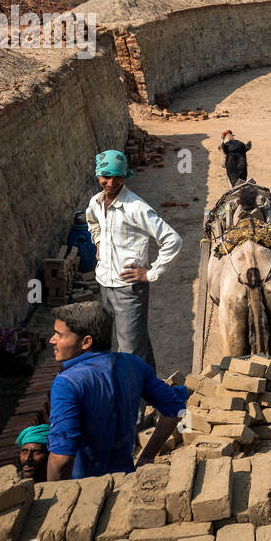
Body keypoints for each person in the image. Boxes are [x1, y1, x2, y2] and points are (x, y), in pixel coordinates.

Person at [45, 301, 189, 481]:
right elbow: (175, 408)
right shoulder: (132, 364)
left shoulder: (67, 382)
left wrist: (52, 501)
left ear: (86, 342)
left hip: (85, 492)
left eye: (59, 335)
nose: (52, 340)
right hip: (124, 482)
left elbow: (61, 459)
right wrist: (146, 457)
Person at [84, 149, 182, 369]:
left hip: (129, 290)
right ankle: (151, 394)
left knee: (130, 353)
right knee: (134, 343)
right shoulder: (96, 203)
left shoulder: (135, 207)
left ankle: (133, 403)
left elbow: (172, 240)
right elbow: (92, 222)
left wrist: (151, 272)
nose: (111, 183)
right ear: (98, 175)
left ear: (125, 176)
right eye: (106, 177)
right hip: (105, 285)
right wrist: (99, 243)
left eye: (118, 177)